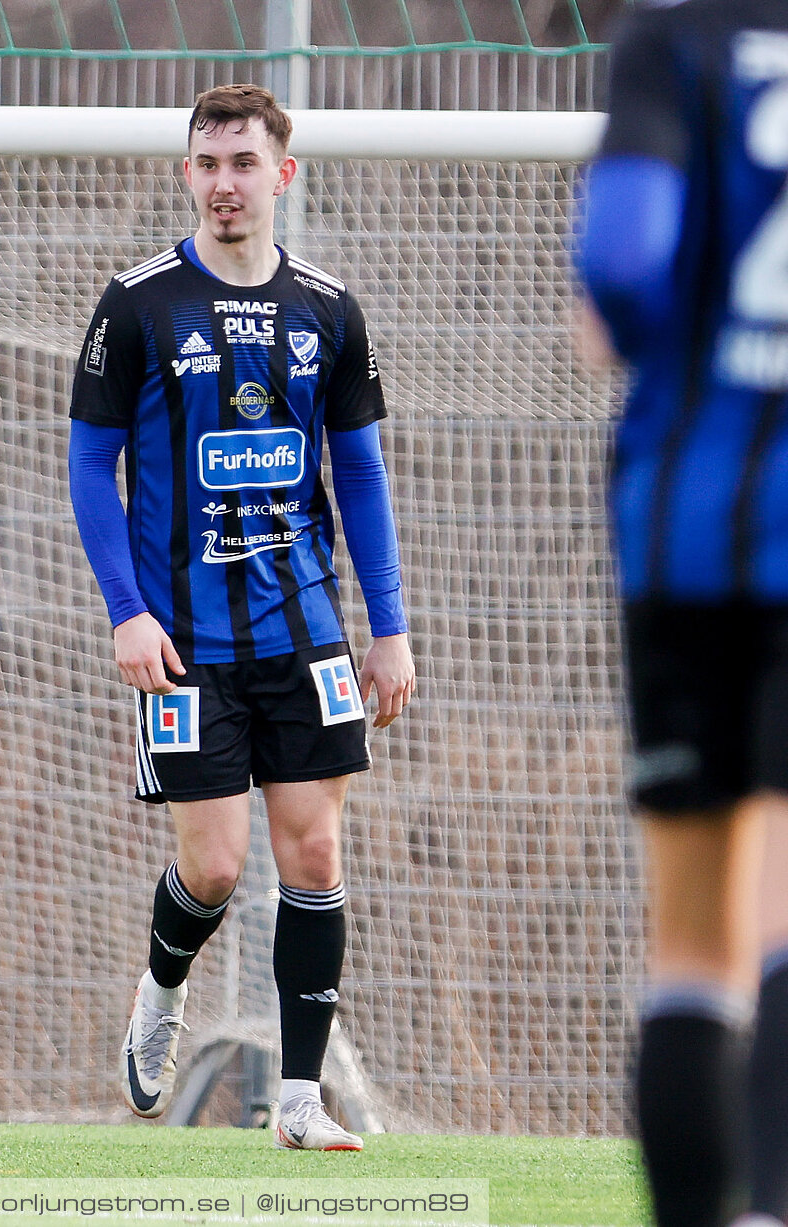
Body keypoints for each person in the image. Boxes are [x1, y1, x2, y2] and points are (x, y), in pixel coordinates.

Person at [68, 83, 415, 1150]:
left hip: (305, 631)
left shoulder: (329, 307)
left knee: (314, 855)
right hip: (183, 641)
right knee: (214, 868)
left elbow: (358, 473)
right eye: (208, 164)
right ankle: (164, 989)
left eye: (244, 164)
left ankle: (303, 1102)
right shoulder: (136, 303)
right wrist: (127, 612)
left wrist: (389, 627)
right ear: (189, 174)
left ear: (283, 175)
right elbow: (91, 467)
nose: (226, 183)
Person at [576, 2, 788, 1224]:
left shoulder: (672, 41)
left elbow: (621, 259)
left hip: (685, 541)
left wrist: (637, 335)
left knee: (694, 948)